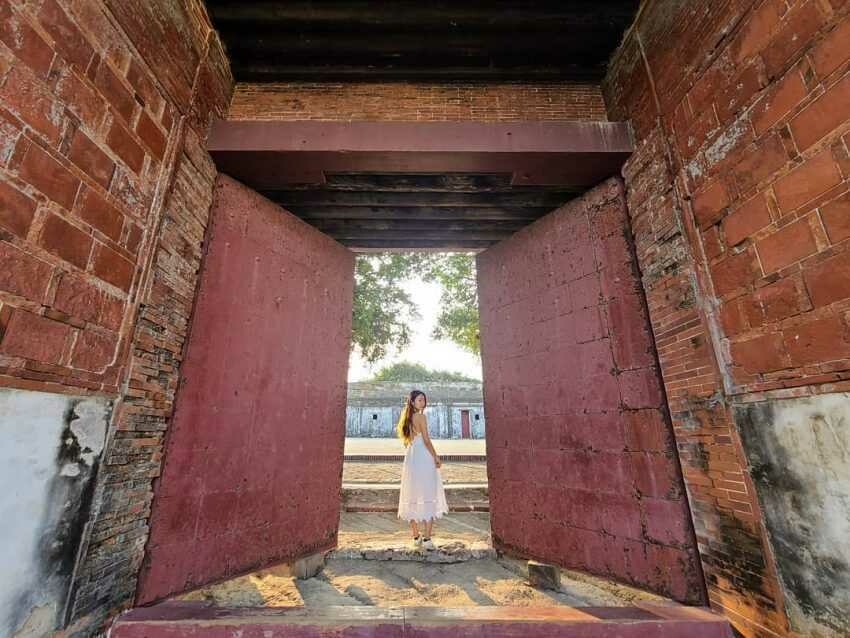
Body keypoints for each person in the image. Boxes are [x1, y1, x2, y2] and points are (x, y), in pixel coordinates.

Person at [396, 389, 448, 549]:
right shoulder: (421, 417)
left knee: (412, 492)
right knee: (428, 491)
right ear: (412, 402)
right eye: (419, 400)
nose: (422, 402)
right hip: (423, 457)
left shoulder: (405, 418)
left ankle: (415, 536)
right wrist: (436, 456)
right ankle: (426, 539)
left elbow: (407, 442)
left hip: (411, 456)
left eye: (423, 400)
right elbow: (426, 440)